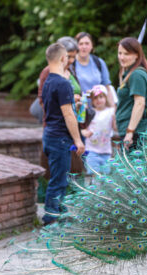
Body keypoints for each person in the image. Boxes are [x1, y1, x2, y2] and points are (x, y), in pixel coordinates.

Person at [41, 43, 85, 225]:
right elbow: (68, 115)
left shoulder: (48, 82)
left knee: (57, 177)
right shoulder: (63, 83)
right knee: (59, 180)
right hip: (60, 137)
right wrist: (78, 140)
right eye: (67, 57)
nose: (68, 60)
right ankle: (50, 218)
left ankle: (57, 212)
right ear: (61, 59)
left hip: (49, 134)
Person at [116, 37, 147, 150]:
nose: (122, 57)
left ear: (137, 55)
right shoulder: (130, 72)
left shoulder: (136, 75)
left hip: (135, 133)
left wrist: (130, 132)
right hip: (130, 131)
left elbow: (139, 103)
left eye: (126, 54)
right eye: (119, 53)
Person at [73, 32, 116, 106]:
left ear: (92, 46)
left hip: (98, 111)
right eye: (81, 44)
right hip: (79, 110)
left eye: (87, 43)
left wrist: (112, 110)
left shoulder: (99, 62)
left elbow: (107, 88)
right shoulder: (71, 64)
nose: (84, 47)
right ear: (76, 47)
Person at [81, 85, 116, 174]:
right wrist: (85, 132)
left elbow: (115, 127)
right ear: (92, 100)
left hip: (106, 151)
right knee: (94, 175)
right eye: (95, 98)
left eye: (101, 97)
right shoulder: (89, 112)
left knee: (105, 176)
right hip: (92, 150)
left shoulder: (111, 111)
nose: (98, 100)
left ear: (106, 98)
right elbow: (82, 128)